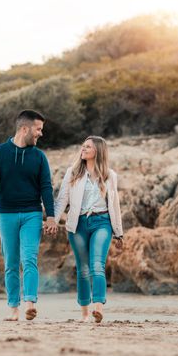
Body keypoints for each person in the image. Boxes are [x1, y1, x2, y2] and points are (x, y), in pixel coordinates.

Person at [0, 109, 58, 321]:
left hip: (32, 214)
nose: (40, 134)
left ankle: (30, 304)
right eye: (38, 129)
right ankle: (13, 310)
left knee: (29, 258)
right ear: (24, 129)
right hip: (6, 215)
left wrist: (50, 216)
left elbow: (46, 187)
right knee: (11, 262)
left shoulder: (40, 157)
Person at [54, 136, 123, 323]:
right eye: (83, 146)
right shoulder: (73, 172)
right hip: (78, 224)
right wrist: (52, 219)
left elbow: (115, 205)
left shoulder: (110, 175)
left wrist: (118, 232)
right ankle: (85, 314)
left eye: (88, 147)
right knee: (83, 268)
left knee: (97, 265)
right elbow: (62, 199)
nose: (83, 149)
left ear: (98, 152)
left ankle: (98, 308)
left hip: (102, 222)